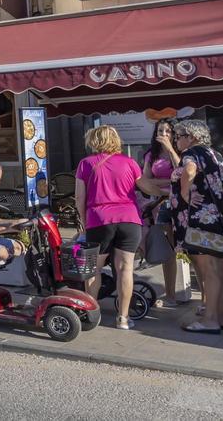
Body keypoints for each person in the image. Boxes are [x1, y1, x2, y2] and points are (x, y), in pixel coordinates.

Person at [75, 125, 143, 330]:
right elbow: (142, 186)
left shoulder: (86, 163)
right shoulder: (130, 162)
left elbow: (79, 198)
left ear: (94, 142)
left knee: (93, 268)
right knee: (125, 269)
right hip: (130, 219)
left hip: (99, 219)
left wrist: (83, 223)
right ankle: (123, 318)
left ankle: (90, 314)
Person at [171, 120, 223, 334]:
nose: (176, 140)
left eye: (179, 136)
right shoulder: (217, 155)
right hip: (219, 219)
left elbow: (188, 171)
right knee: (220, 271)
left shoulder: (192, 154)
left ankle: (210, 320)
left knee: (210, 271)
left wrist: (186, 194)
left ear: (192, 137)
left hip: (201, 220)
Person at [140, 118, 184, 308]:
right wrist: (168, 183)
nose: (163, 134)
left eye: (167, 131)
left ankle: (205, 299)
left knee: (189, 251)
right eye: (160, 131)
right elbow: (144, 181)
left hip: (181, 205)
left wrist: (171, 150)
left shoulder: (182, 151)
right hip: (160, 204)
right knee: (169, 250)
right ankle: (171, 295)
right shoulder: (152, 154)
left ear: (174, 134)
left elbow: (183, 173)